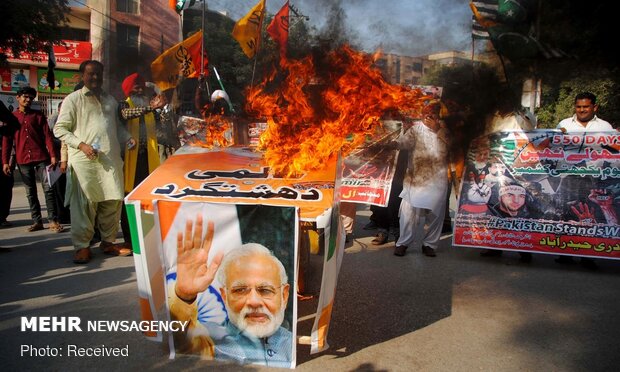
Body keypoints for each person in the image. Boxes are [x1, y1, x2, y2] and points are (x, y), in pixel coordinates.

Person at [169, 217, 292, 367]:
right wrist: (184, 296)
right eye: (240, 290)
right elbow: (181, 340)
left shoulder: (293, 345)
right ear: (224, 296)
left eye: (265, 290)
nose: (253, 301)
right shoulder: (210, 341)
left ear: (284, 296)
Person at [53, 60, 136, 264]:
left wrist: (128, 137)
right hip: (85, 162)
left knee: (112, 201)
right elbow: (60, 129)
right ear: (82, 76)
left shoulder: (111, 101)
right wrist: (81, 145)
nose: (95, 78)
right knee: (84, 205)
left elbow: (116, 127)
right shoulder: (72, 100)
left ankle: (108, 242)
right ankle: (82, 246)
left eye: (99, 74)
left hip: (110, 160)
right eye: (91, 74)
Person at [555, 92, 614, 270]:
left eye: (586, 107)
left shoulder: (605, 126)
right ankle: (565, 253)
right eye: (579, 107)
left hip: (592, 177)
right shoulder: (564, 124)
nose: (581, 110)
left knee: (590, 214)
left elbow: (613, 151)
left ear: (594, 107)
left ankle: (588, 255)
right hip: (568, 177)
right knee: (566, 212)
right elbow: (554, 146)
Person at [387, 102, 449, 257]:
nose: (428, 117)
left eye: (432, 114)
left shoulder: (446, 131)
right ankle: (403, 243)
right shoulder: (415, 130)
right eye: (425, 113)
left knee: (436, 214)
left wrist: (438, 130)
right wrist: (393, 144)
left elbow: (453, 148)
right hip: (415, 178)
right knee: (408, 212)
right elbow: (403, 143)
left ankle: (429, 244)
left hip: (437, 179)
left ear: (438, 115)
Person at [2, 87, 64, 233]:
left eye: (31, 97)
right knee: (30, 192)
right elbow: (7, 141)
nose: (28, 100)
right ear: (18, 98)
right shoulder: (11, 118)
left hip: (42, 158)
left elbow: (48, 136)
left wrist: (53, 156)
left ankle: (53, 220)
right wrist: (5, 161)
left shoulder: (38, 116)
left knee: (48, 189)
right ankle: (37, 221)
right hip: (22, 160)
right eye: (25, 97)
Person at [118, 73, 167, 250]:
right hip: (129, 160)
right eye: (136, 88)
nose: (140, 91)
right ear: (129, 90)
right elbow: (127, 114)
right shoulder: (124, 105)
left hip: (149, 159)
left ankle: (149, 237)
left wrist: (162, 111)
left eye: (141, 88)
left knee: (148, 198)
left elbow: (161, 131)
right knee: (130, 198)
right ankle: (129, 239)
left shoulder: (150, 110)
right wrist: (150, 108)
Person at [48, 100, 70, 224]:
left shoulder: (70, 118)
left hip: (67, 157)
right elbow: (50, 138)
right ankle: (61, 215)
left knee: (67, 187)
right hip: (57, 158)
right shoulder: (54, 119)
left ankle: (67, 214)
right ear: (59, 110)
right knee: (59, 188)